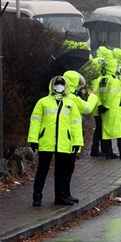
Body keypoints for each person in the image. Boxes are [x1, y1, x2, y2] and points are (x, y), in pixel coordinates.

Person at [28, 76, 83, 206]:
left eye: (61, 84)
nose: (59, 86)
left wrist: (77, 142)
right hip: (46, 142)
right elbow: (35, 122)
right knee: (42, 170)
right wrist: (33, 139)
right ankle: (37, 196)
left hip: (64, 143)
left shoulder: (71, 104)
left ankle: (60, 197)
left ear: (66, 87)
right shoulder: (43, 102)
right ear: (52, 86)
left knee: (61, 172)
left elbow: (75, 125)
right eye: (57, 84)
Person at [62, 70, 98, 203]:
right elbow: (88, 108)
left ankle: (65, 194)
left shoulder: (64, 96)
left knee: (66, 168)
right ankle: (64, 194)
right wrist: (93, 96)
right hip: (70, 139)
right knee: (67, 168)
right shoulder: (72, 98)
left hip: (65, 138)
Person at [96, 55, 121, 159]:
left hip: (105, 110)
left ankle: (109, 153)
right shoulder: (114, 80)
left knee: (106, 131)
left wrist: (101, 106)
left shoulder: (102, 79)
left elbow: (98, 94)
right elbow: (111, 95)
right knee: (120, 131)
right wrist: (107, 106)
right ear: (113, 67)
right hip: (114, 110)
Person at [90, 46, 111, 157]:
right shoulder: (106, 63)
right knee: (100, 128)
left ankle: (99, 149)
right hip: (99, 104)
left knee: (99, 127)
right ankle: (96, 150)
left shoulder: (94, 61)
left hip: (95, 103)